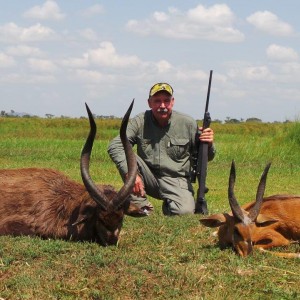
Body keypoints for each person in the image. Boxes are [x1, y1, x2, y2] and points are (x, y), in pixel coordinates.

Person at [108, 82, 215, 216]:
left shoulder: (187, 123)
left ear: (173, 102)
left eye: (166, 101)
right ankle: (141, 206)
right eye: (157, 101)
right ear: (149, 103)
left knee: (185, 213)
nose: (162, 106)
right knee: (129, 158)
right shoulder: (139, 121)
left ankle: (171, 206)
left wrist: (208, 144)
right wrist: (131, 174)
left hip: (176, 180)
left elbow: (207, 157)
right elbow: (115, 145)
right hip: (148, 176)